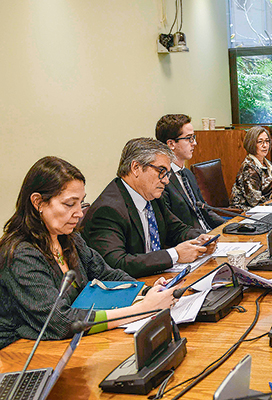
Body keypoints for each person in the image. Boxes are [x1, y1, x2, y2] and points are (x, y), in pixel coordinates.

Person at [0, 157, 178, 349]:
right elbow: (62, 322)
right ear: (38, 202)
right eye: (70, 204)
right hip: (19, 355)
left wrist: (147, 291)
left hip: (70, 345)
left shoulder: (68, 238)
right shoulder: (20, 254)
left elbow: (107, 274)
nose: (78, 213)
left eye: (81, 203)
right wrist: (141, 309)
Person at [82, 138, 216, 278]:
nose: (166, 180)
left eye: (167, 173)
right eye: (161, 171)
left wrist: (200, 238)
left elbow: (176, 230)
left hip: (155, 279)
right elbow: (116, 264)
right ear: (136, 168)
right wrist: (175, 254)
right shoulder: (108, 210)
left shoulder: (153, 196)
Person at [155, 114, 225, 231]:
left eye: (194, 137)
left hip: (210, 234)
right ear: (171, 144)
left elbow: (205, 210)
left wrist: (229, 226)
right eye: (189, 138)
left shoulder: (187, 174)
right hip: (192, 241)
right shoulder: (162, 180)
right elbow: (172, 227)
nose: (194, 143)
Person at [230, 126, 272, 211]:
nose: (265, 145)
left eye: (267, 141)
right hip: (245, 212)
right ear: (251, 143)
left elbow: (268, 193)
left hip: (263, 207)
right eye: (260, 142)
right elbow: (254, 201)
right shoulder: (249, 167)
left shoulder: (267, 164)